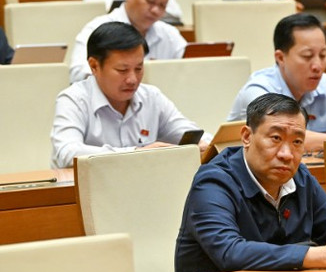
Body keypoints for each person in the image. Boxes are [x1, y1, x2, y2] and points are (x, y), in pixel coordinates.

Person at [174, 93, 326, 272]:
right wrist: (322, 255)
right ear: (247, 136)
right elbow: (230, 252)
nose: (287, 153)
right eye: (276, 138)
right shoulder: (213, 182)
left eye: (297, 142)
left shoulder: (300, 178)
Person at [51, 22, 208, 168]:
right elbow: (67, 153)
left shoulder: (151, 97)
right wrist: (137, 153)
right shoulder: (73, 99)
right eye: (122, 70)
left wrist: (204, 145)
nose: (133, 79)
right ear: (94, 66)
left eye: (139, 69)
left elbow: (187, 130)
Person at [228, 14, 326, 151]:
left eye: (322, 55)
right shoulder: (259, 89)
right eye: (307, 56)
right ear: (280, 57)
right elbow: (288, 137)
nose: (317, 65)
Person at [70, 0, 187, 83]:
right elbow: (77, 75)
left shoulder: (169, 34)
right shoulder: (97, 28)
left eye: (162, 5)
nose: (156, 10)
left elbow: (190, 68)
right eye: (150, 2)